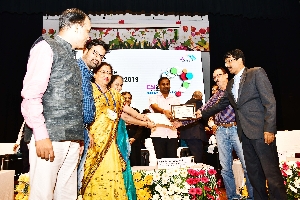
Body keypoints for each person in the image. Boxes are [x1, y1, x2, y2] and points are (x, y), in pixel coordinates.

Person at [21, 8, 90, 200]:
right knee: (42, 195)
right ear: (76, 27)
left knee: (67, 196)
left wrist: (78, 138)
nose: (88, 36)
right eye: (87, 30)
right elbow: (31, 95)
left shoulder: (72, 56)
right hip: (49, 138)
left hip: (71, 140)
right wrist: (41, 135)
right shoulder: (45, 47)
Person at [199, 49, 287, 199]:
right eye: (225, 62)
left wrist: (269, 129)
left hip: (261, 132)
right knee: (254, 174)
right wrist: (201, 113)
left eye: (230, 61)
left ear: (240, 59)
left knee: (271, 173)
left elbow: (270, 102)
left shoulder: (256, 73)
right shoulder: (231, 83)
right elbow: (221, 104)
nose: (227, 65)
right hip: (244, 135)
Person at [81, 65, 154, 199]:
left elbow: (126, 112)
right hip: (94, 141)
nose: (106, 75)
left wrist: (144, 118)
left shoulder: (114, 95)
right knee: (94, 173)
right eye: (103, 72)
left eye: (109, 73)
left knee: (112, 171)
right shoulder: (88, 89)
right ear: (95, 74)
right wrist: (85, 131)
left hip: (110, 142)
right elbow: (80, 113)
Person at [202, 68, 253, 199]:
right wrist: (182, 121)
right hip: (220, 131)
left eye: (219, 75)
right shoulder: (216, 95)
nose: (217, 78)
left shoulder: (235, 89)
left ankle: (252, 197)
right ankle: (232, 197)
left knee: (247, 165)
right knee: (225, 169)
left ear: (226, 75)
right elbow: (204, 109)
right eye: (214, 77)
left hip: (236, 129)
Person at [77, 39, 109, 193]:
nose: (97, 58)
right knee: (69, 178)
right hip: (73, 132)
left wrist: (86, 131)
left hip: (84, 131)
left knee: (76, 178)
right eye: (95, 52)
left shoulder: (88, 74)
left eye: (101, 56)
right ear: (85, 50)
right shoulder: (75, 69)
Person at [149, 77, 180, 159]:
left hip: (172, 134)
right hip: (158, 133)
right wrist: (164, 111)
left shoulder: (175, 99)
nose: (166, 86)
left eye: (167, 84)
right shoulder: (154, 98)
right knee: (160, 160)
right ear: (159, 86)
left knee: (172, 160)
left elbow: (178, 113)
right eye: (163, 84)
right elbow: (154, 107)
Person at [179, 91, 208, 163]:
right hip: (196, 133)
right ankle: (198, 173)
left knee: (189, 156)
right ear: (200, 97)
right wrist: (206, 125)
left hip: (185, 133)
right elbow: (202, 117)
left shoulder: (185, 104)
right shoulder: (199, 103)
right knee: (198, 157)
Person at [121, 91, 143, 166]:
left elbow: (140, 128)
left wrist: (134, 138)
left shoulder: (135, 111)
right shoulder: (117, 111)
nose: (127, 99)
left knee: (136, 162)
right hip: (122, 140)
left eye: (129, 98)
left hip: (135, 141)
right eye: (125, 98)